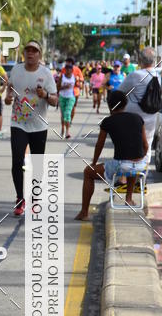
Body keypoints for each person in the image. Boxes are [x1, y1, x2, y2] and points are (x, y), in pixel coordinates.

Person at [75, 90, 148, 219]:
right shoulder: (138, 118)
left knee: (88, 172)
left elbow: (99, 144)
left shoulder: (108, 121)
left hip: (121, 166)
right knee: (131, 162)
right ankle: (129, 199)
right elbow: (145, 145)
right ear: (125, 104)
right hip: (140, 166)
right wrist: (141, 158)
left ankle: (84, 212)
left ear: (109, 105)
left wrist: (93, 163)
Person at [4, 40, 58, 216]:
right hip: (18, 123)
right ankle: (20, 199)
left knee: (37, 164)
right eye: (28, 50)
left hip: (39, 125)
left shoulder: (46, 73)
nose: (30, 53)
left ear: (39, 55)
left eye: (34, 51)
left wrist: (45, 95)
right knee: (17, 161)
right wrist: (8, 97)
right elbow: (10, 88)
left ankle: (35, 198)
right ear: (24, 53)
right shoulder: (17, 70)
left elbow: (55, 100)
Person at [119, 47, 160, 161]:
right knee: (147, 144)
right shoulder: (159, 76)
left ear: (140, 60)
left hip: (132, 117)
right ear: (154, 60)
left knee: (130, 145)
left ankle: (130, 168)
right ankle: (143, 169)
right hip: (151, 117)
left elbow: (119, 92)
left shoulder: (135, 75)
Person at [56, 61, 76, 139]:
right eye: (66, 69)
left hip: (71, 97)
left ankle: (67, 132)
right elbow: (57, 88)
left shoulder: (74, 77)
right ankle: (62, 128)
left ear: (72, 70)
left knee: (67, 113)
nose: (68, 70)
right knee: (63, 114)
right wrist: (64, 87)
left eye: (69, 69)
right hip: (62, 97)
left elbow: (78, 85)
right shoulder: (62, 77)